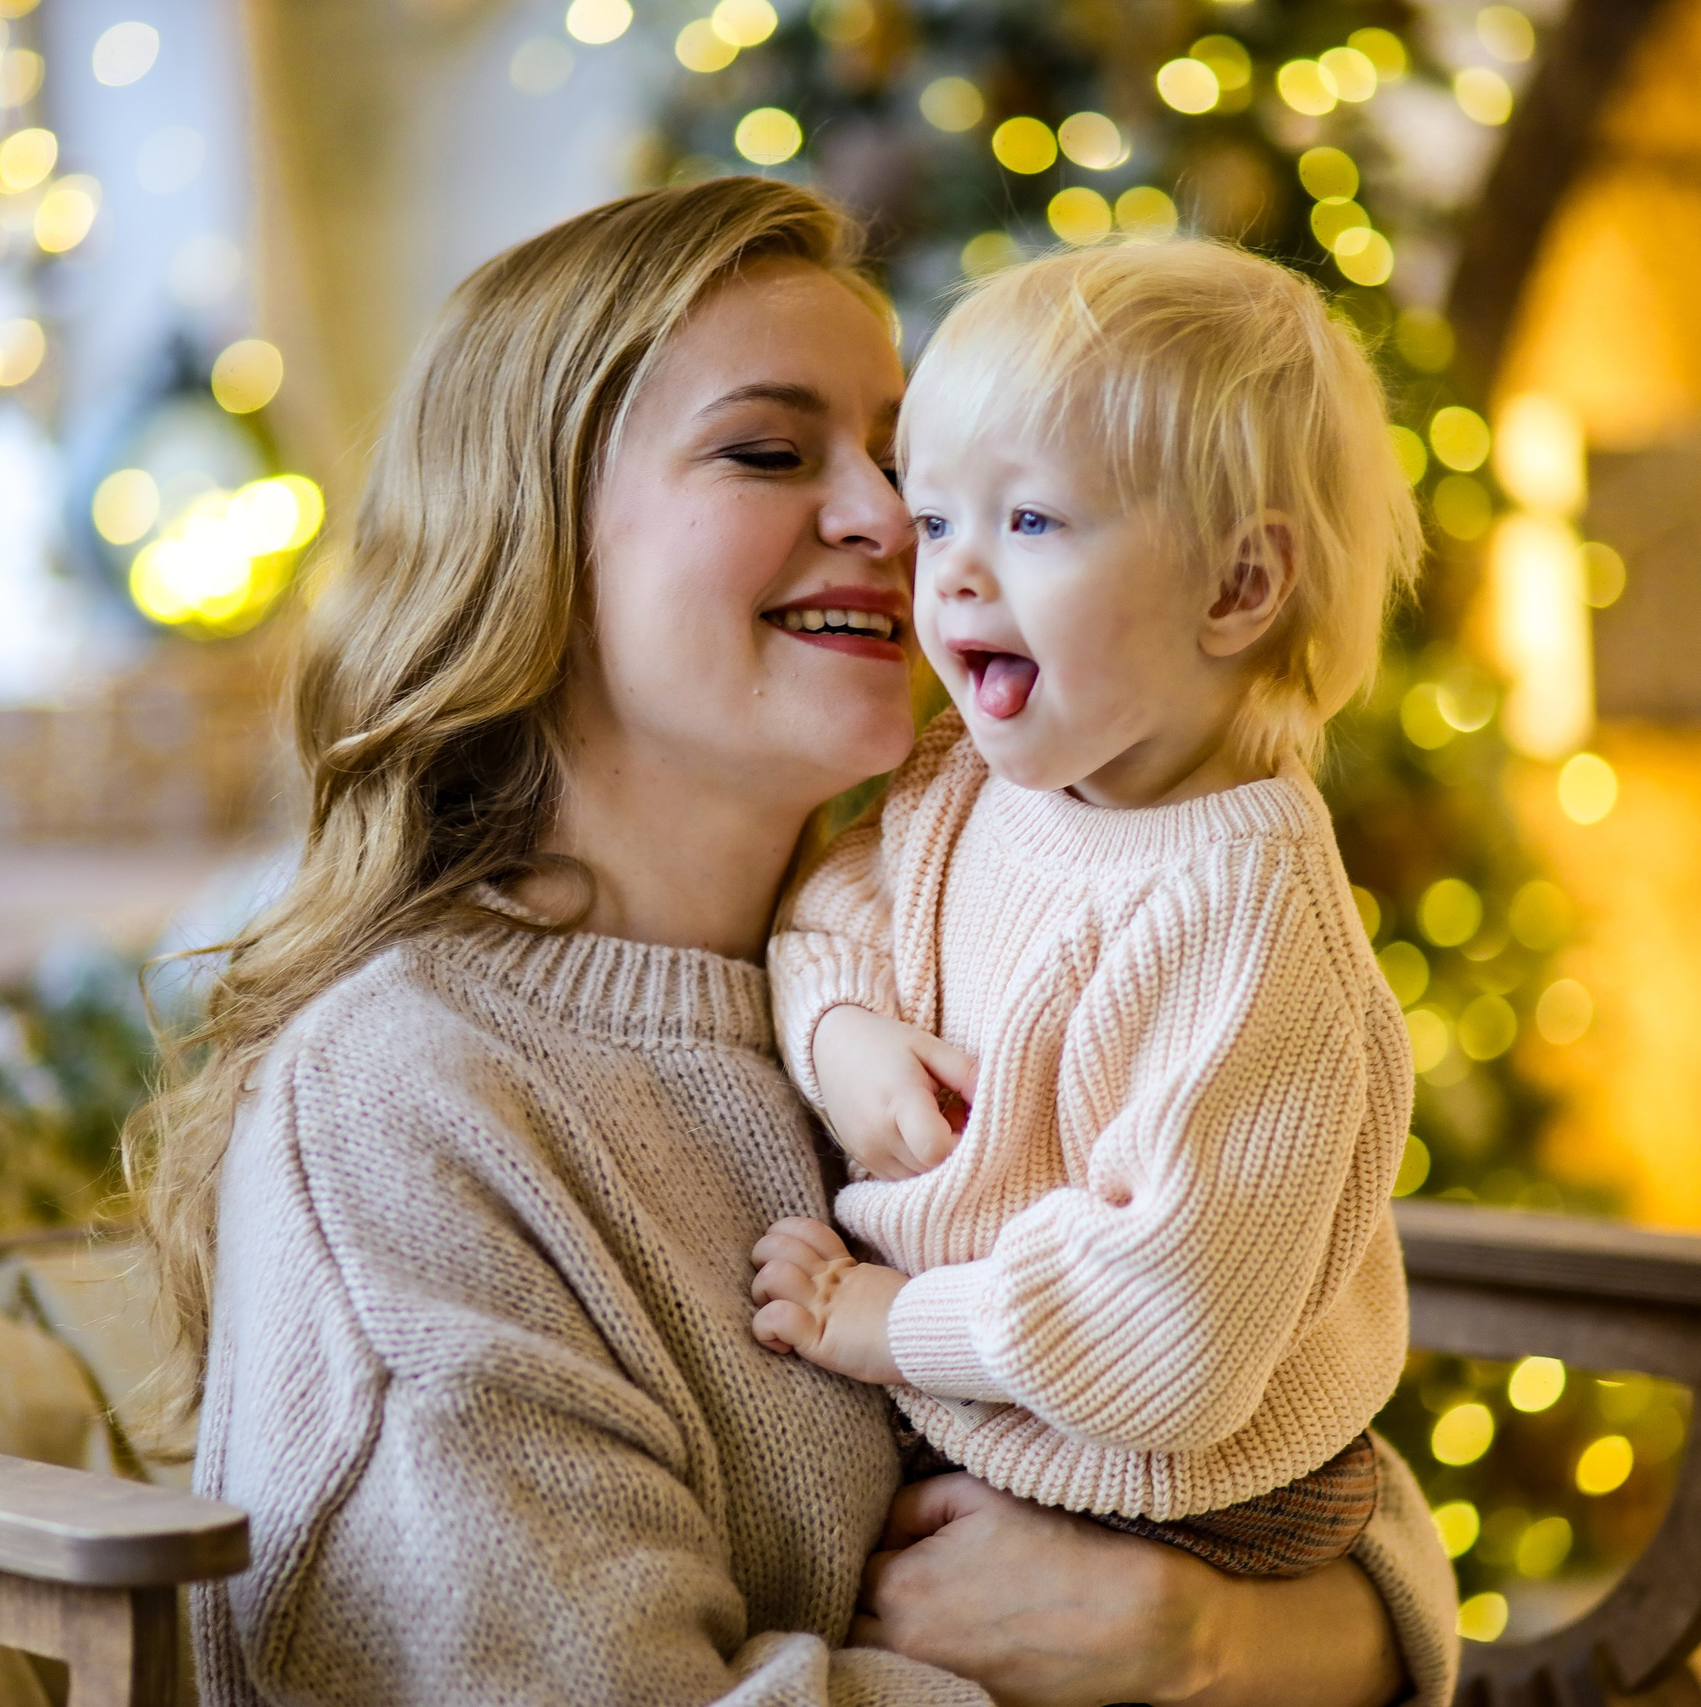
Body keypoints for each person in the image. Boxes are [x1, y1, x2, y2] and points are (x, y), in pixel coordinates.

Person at [127, 176, 1459, 1706]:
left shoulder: (992, 919)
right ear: (536, 546)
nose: (900, 525)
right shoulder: (407, 1106)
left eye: (908, 464)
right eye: (768, 452)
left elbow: (1286, 1445)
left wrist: (1202, 1638)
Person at [753, 242, 1418, 1583]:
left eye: (1032, 523)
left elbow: (1174, 1328)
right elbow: (830, 907)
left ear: (1237, 588)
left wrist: (895, 1325)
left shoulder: (1243, 918)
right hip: (998, 1407)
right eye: (934, 519)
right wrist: (841, 1036)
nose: (945, 577)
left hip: (1189, 1486)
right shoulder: (971, 775)